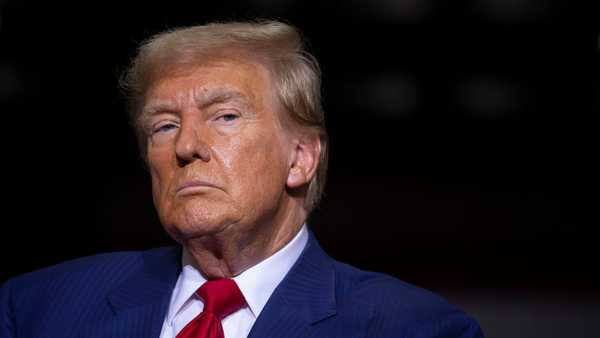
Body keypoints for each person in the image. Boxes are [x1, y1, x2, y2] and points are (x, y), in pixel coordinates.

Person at [0, 20, 484, 338]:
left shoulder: (409, 328)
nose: (185, 146)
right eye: (164, 125)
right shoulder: (39, 309)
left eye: (225, 116)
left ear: (300, 158)